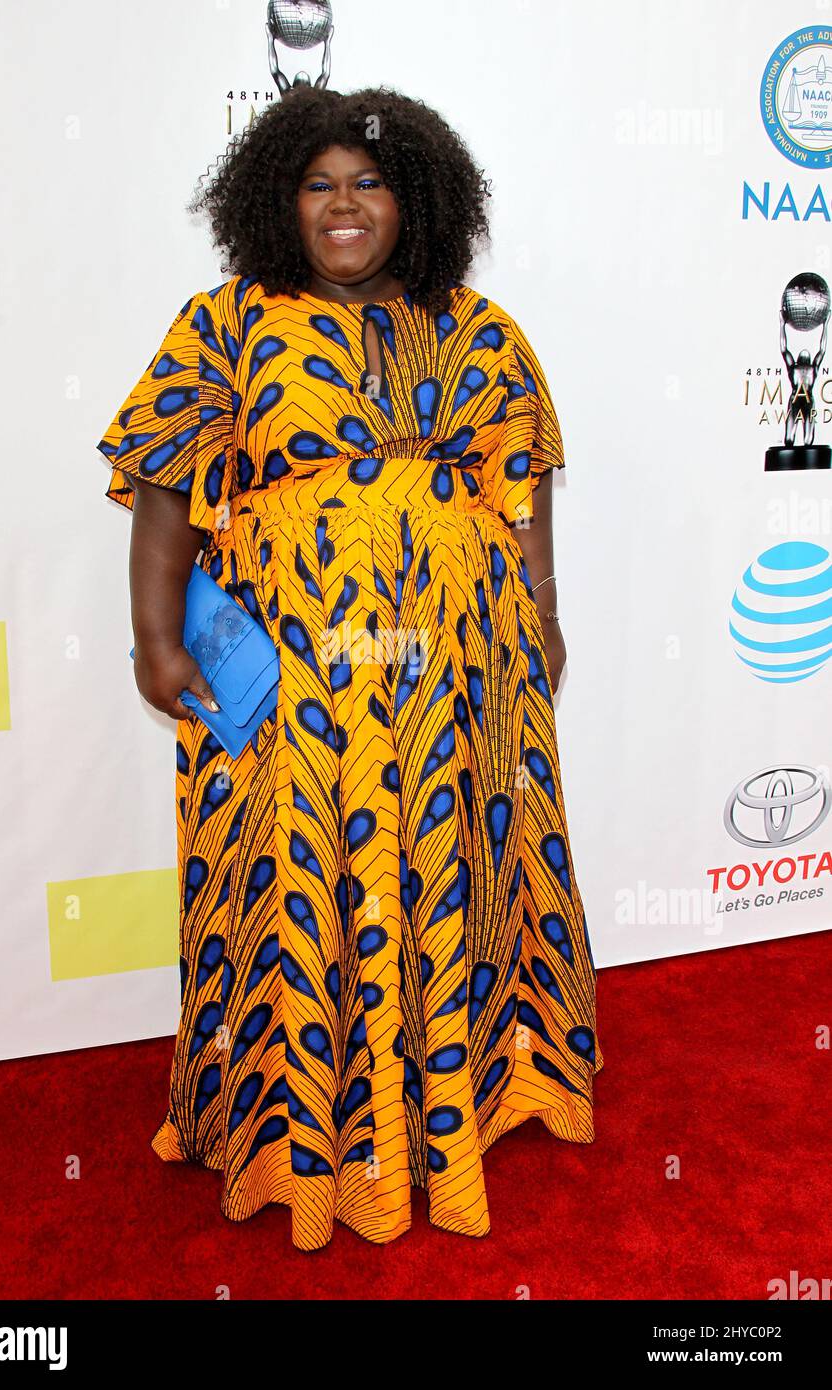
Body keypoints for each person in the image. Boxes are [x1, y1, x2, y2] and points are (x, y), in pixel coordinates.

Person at [94, 85, 602, 1252]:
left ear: (412, 198)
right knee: (294, 868)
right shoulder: (226, 324)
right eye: (317, 184)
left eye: (367, 182)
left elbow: (517, 493)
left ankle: (451, 1095)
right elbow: (167, 489)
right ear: (278, 202)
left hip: (454, 664)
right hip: (294, 666)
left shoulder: (477, 328)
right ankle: (305, 1120)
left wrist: (543, 610)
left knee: (455, 851)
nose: (342, 205)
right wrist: (159, 633)